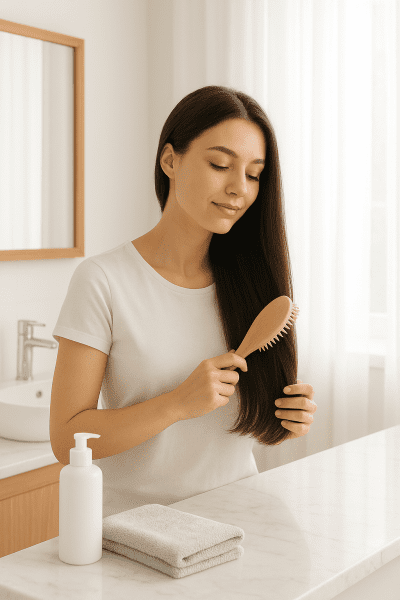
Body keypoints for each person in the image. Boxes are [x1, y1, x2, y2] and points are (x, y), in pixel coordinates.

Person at [50, 85, 300, 518]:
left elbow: (239, 429)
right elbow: (67, 437)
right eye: (220, 164)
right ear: (170, 160)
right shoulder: (103, 280)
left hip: (241, 522)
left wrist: (287, 416)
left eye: (254, 174)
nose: (238, 188)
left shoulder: (250, 282)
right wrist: (176, 404)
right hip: (140, 532)